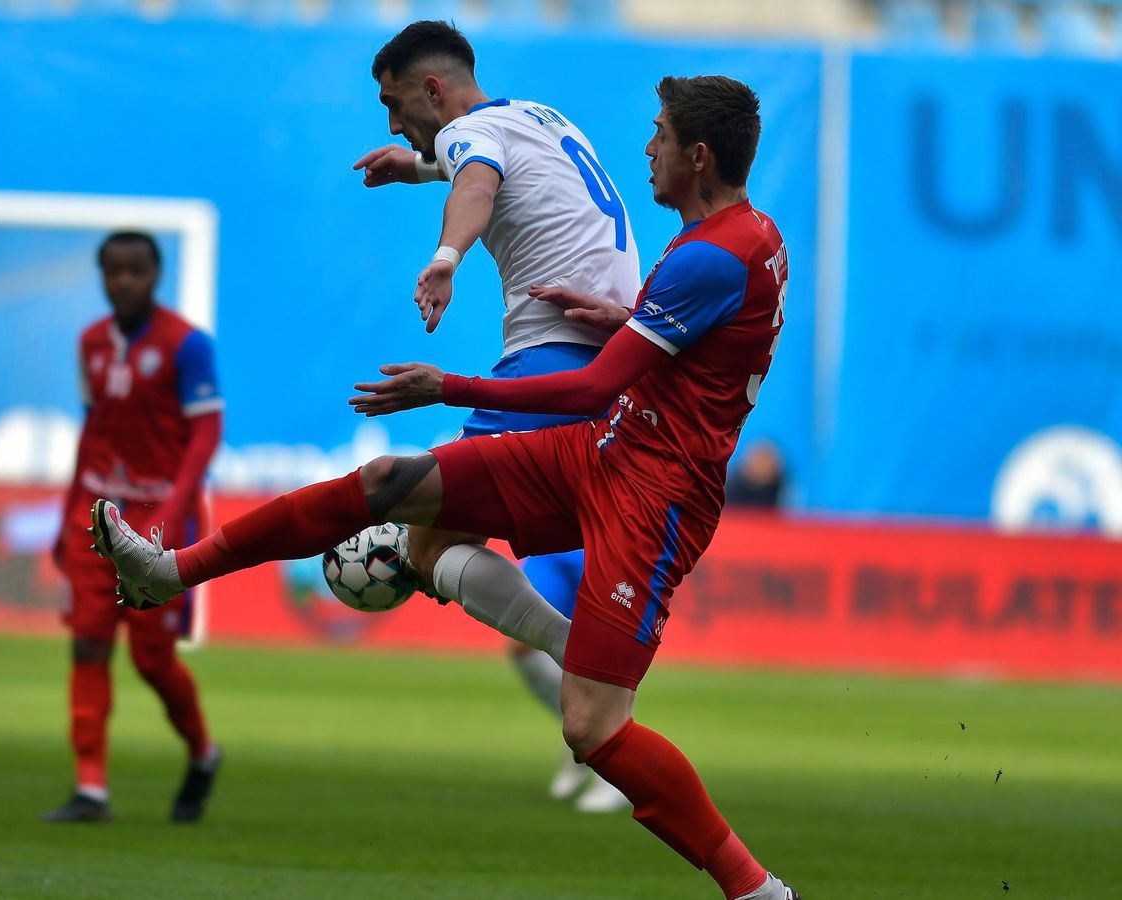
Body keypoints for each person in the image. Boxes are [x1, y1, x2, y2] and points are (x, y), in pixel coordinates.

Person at [92, 75, 798, 898]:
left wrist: (450, 385)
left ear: (698, 155)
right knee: (391, 483)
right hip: (603, 452)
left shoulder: (711, 254)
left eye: (662, 135)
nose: (650, 149)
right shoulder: (740, 237)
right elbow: (705, 343)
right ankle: (171, 571)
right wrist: (623, 321)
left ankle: (756, 890)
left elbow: (591, 389)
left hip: (656, 494)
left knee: (593, 727)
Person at [351, 20, 640, 812]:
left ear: (433, 90)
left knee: (428, 540)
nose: (390, 121)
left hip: (552, 360)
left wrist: (445, 258)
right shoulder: (537, 116)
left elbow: (477, 178)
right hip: (616, 365)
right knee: (472, 548)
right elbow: (486, 165)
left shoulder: (475, 135)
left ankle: (579, 660)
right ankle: (593, 701)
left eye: (394, 102)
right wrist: (415, 169)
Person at [46, 230, 223, 823]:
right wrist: (65, 514)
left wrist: (176, 508)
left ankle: (202, 752)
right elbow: (92, 432)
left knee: (152, 661)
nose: (124, 281)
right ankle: (90, 788)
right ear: (101, 276)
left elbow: (205, 434)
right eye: (113, 271)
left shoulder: (188, 345)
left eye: (136, 271)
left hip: (157, 521)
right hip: (93, 516)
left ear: (155, 274)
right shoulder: (91, 343)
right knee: (88, 643)